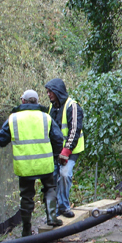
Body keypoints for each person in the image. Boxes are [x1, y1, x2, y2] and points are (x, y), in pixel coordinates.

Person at [0, 89, 65, 236]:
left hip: (25, 166)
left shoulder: (14, 118)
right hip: (45, 164)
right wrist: (55, 154)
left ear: (23, 102)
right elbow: (58, 139)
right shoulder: (45, 117)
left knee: (26, 196)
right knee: (50, 188)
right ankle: (52, 217)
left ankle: (26, 229)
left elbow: (1, 140)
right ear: (37, 101)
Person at [45, 78, 84, 219]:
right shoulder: (51, 107)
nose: (48, 94)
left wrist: (66, 151)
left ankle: (64, 206)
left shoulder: (72, 107)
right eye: (47, 92)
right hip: (55, 151)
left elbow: (75, 130)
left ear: (57, 91)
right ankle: (54, 211)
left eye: (50, 91)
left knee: (65, 175)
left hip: (71, 150)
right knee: (53, 177)